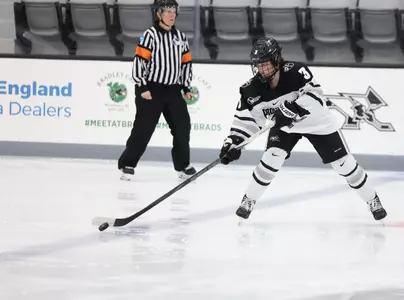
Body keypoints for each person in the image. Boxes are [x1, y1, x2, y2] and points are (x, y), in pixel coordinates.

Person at [218, 37, 387, 221]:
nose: (261, 69)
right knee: (271, 158)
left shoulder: (296, 71)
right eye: (258, 65)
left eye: (265, 64)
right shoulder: (250, 90)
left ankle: (372, 200)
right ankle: (249, 200)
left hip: (317, 123)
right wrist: (233, 143)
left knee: (344, 165)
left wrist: (292, 109)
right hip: (284, 127)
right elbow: (245, 121)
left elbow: (316, 97)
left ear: (276, 60)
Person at [118, 0, 196, 181]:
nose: (171, 14)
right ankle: (127, 163)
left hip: (173, 90)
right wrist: (142, 86)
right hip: (151, 88)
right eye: (167, 11)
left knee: (182, 126)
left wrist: (186, 86)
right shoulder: (150, 35)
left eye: (173, 11)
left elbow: (186, 63)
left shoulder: (180, 37)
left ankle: (183, 165)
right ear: (159, 14)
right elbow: (140, 62)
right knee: (143, 129)